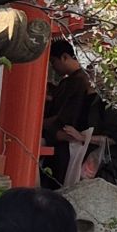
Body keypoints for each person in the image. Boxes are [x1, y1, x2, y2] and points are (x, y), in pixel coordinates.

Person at [40, 38, 93, 190]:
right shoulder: (73, 81)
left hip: (66, 139)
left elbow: (66, 115)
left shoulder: (77, 82)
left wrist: (39, 125)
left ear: (65, 57)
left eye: (54, 62)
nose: (53, 67)